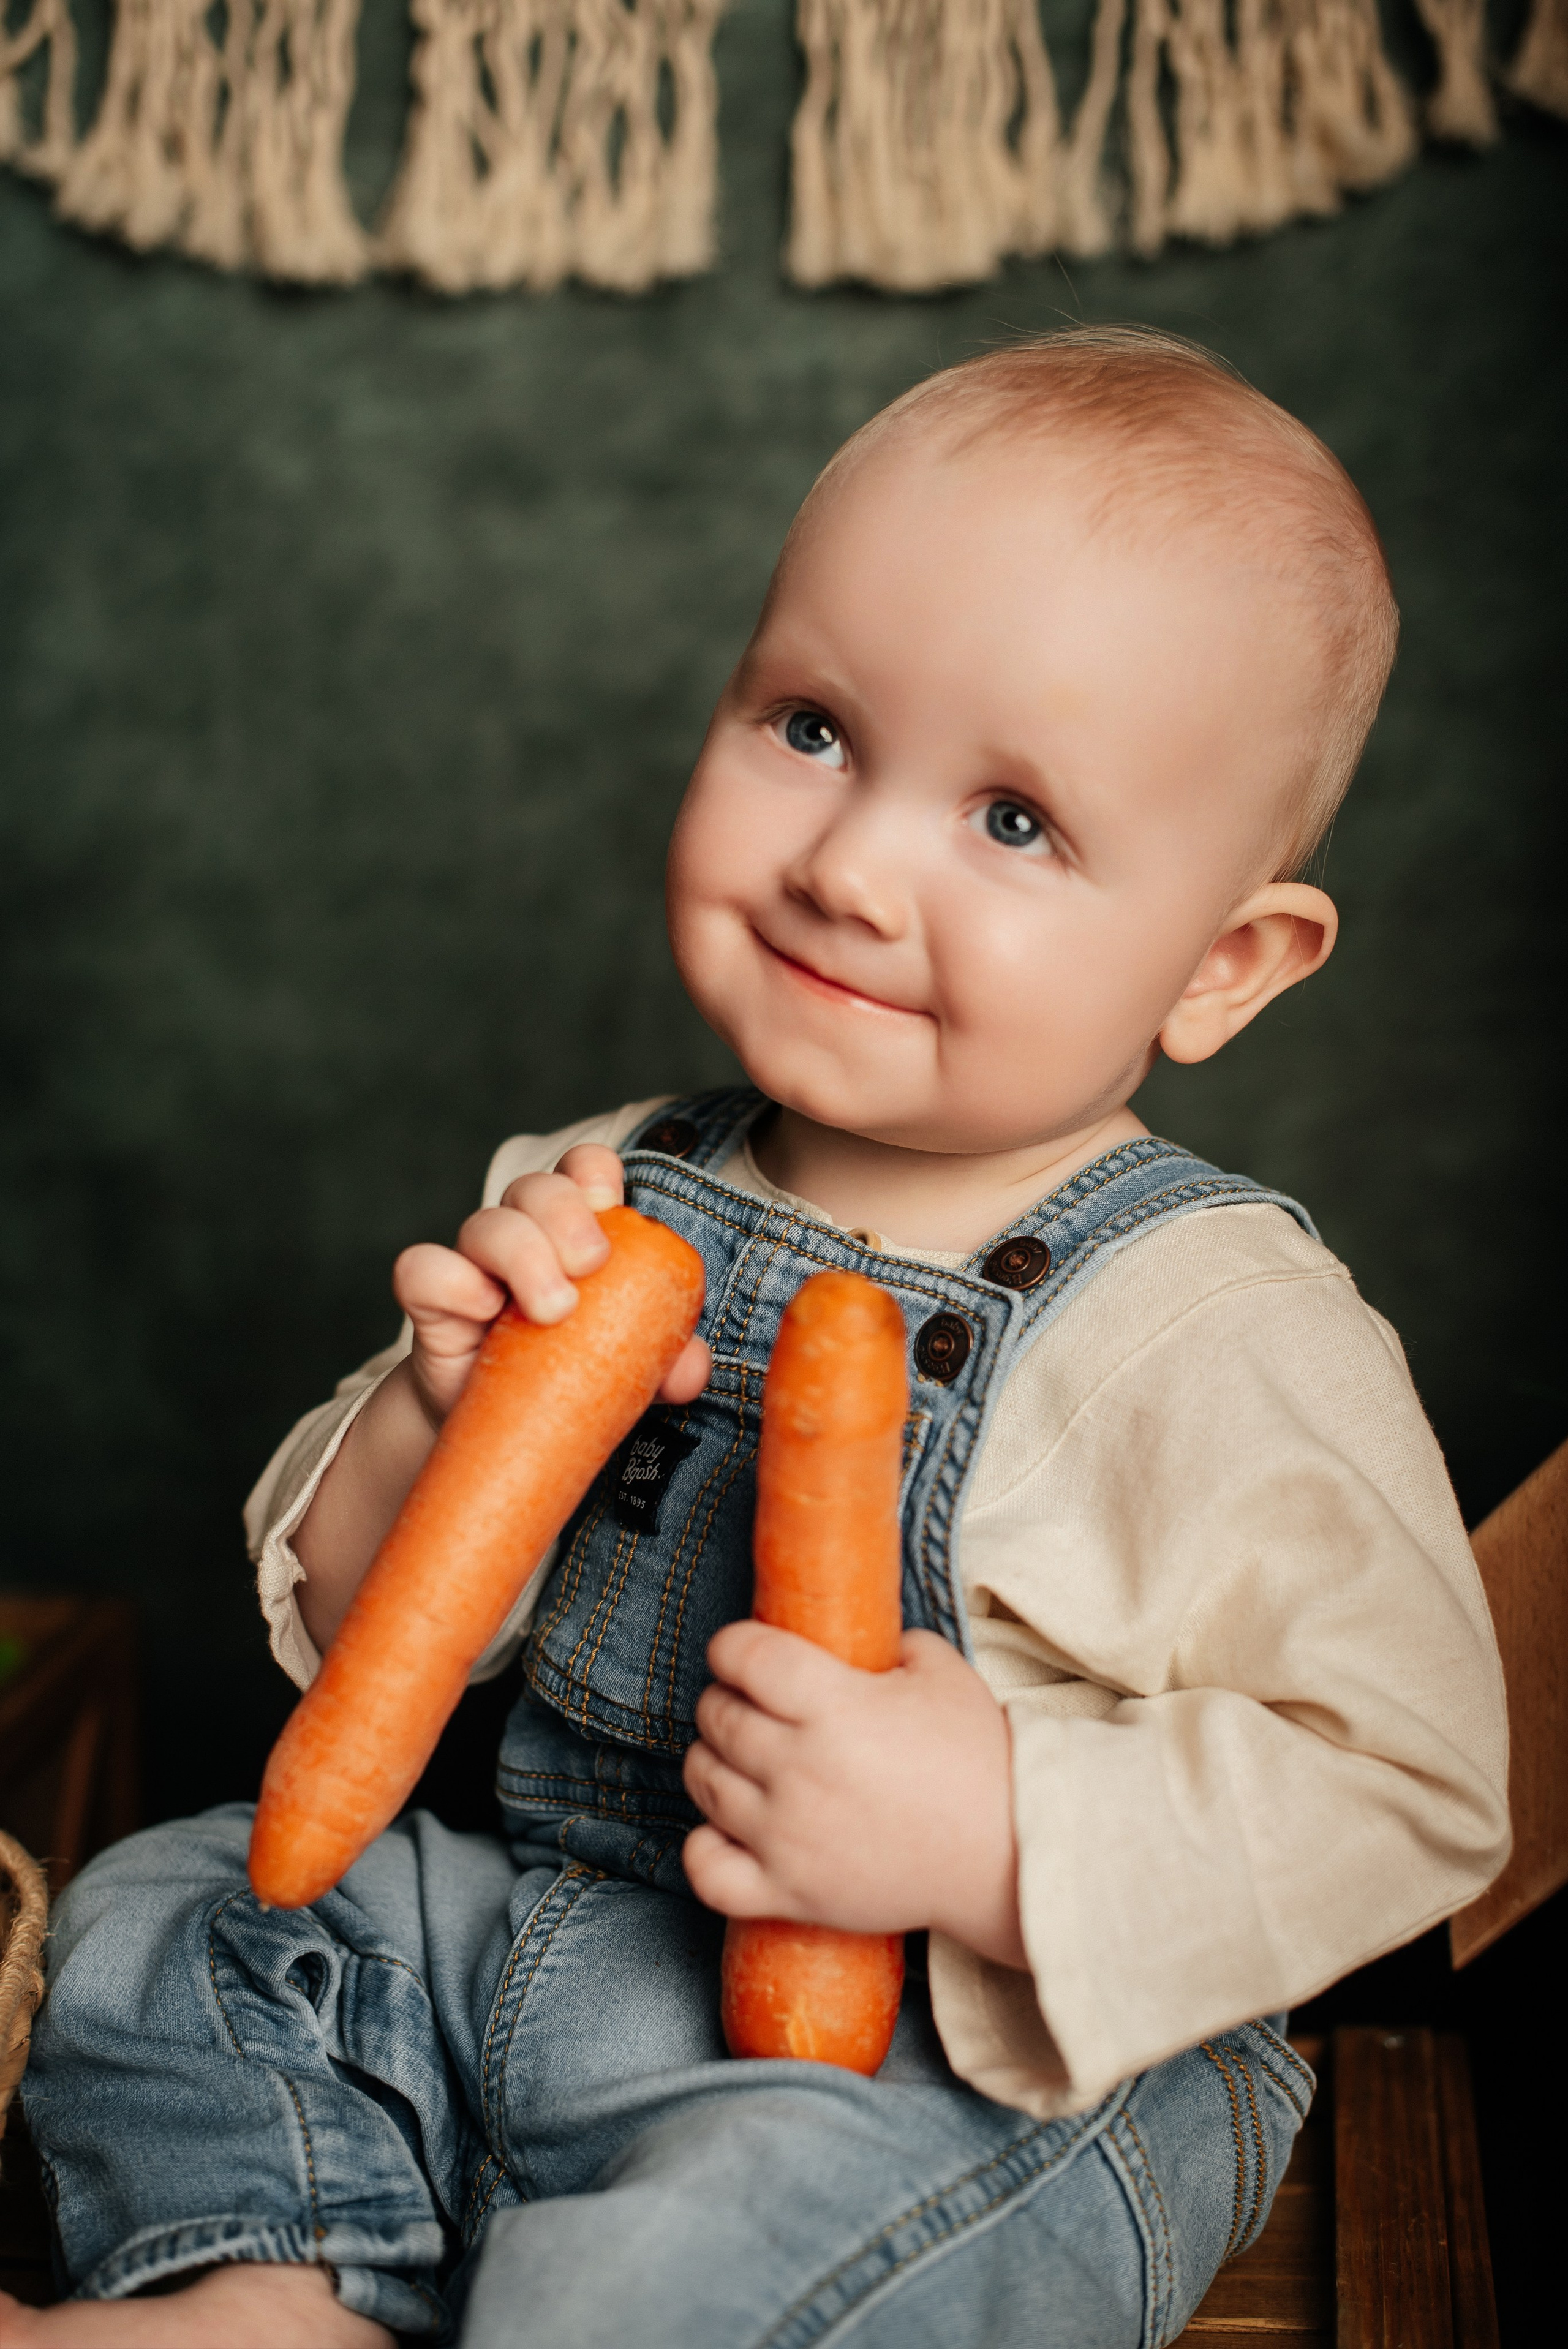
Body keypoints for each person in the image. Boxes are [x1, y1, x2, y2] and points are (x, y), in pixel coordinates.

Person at [8, 328, 1508, 2349]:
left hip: (954, 2072)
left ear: (1225, 964)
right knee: (174, 1908)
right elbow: (374, 1638)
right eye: (813, 727)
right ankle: (269, 2295)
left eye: (1013, 820)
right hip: (538, 1928)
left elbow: (1413, 1783)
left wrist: (993, 1826)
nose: (849, 864)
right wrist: (439, 1421)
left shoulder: (1217, 1327)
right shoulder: (604, 1185)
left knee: (732, 2247)